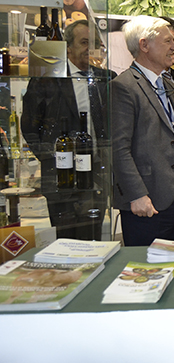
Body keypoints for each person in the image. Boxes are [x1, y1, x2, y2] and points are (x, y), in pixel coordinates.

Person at [111, 16, 174, 246]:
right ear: (144, 45)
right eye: (168, 41)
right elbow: (118, 149)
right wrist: (136, 195)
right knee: (147, 271)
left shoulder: (169, 83)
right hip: (147, 202)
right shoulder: (123, 87)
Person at [22, 19, 115, 240]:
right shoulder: (48, 79)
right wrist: (51, 159)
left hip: (96, 175)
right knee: (66, 243)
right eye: (84, 42)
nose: (89, 49)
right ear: (68, 47)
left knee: (92, 240)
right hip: (61, 178)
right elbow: (29, 126)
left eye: (93, 43)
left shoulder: (106, 79)